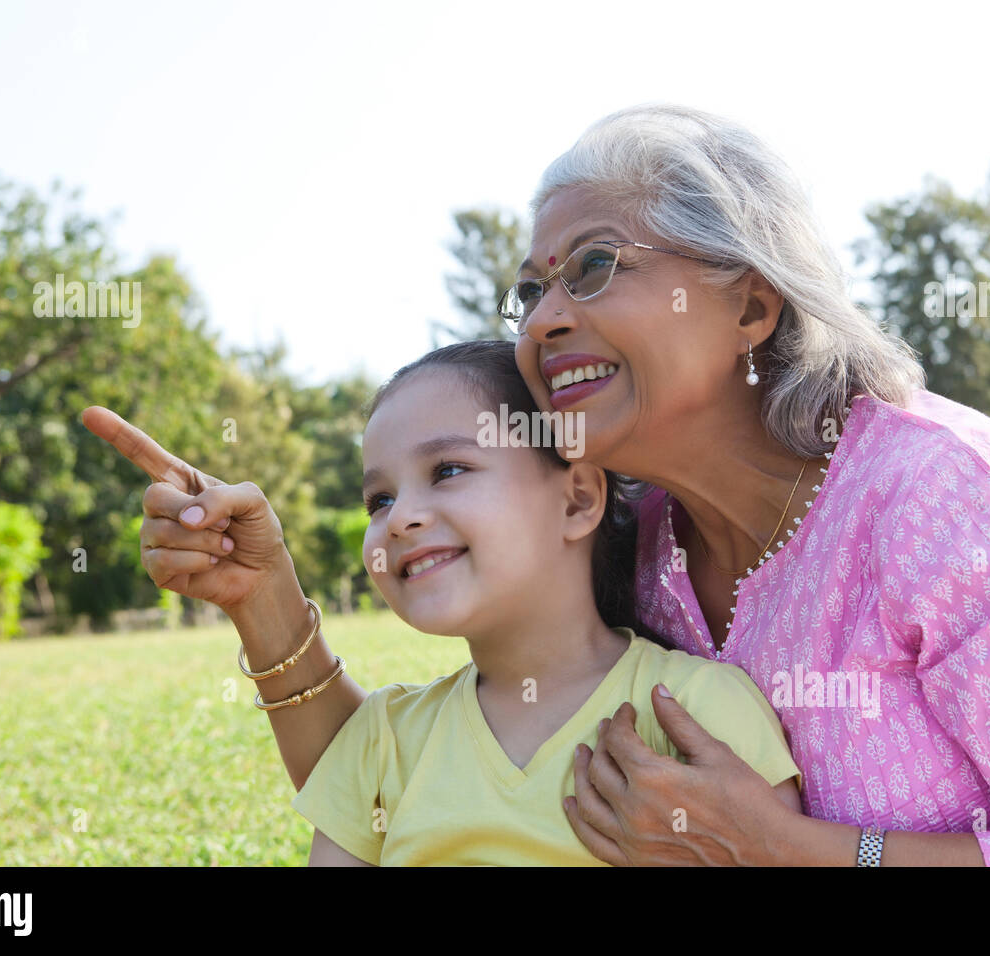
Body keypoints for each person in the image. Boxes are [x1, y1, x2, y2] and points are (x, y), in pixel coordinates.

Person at [500, 102, 990, 866]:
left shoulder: (943, 494)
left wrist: (786, 849)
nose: (541, 322)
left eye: (594, 265)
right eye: (529, 293)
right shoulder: (628, 553)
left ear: (749, 306)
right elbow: (449, 736)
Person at [84, 340, 802, 866]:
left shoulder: (698, 714)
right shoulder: (380, 741)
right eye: (380, 497)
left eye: (449, 469)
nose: (399, 519)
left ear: (578, 497)